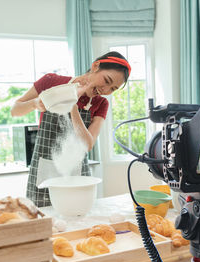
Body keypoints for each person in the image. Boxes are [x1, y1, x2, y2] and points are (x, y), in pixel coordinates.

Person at [10, 51, 131, 207]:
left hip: (77, 173)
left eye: (113, 89)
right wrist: (35, 103)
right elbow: (15, 110)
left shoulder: (101, 104)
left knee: (78, 219)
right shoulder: (51, 82)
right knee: (43, 221)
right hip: (43, 172)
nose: (106, 90)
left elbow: (87, 145)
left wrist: (72, 104)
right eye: (106, 80)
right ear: (95, 66)